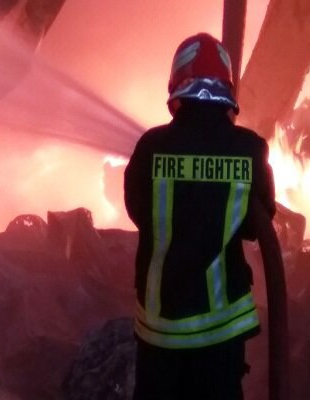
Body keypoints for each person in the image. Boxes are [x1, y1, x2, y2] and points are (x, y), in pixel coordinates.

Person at [124, 33, 277, 399]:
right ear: (227, 89)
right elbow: (257, 223)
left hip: (160, 330)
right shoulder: (249, 149)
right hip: (220, 332)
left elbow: (138, 210)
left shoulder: (150, 146)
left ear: (176, 86)